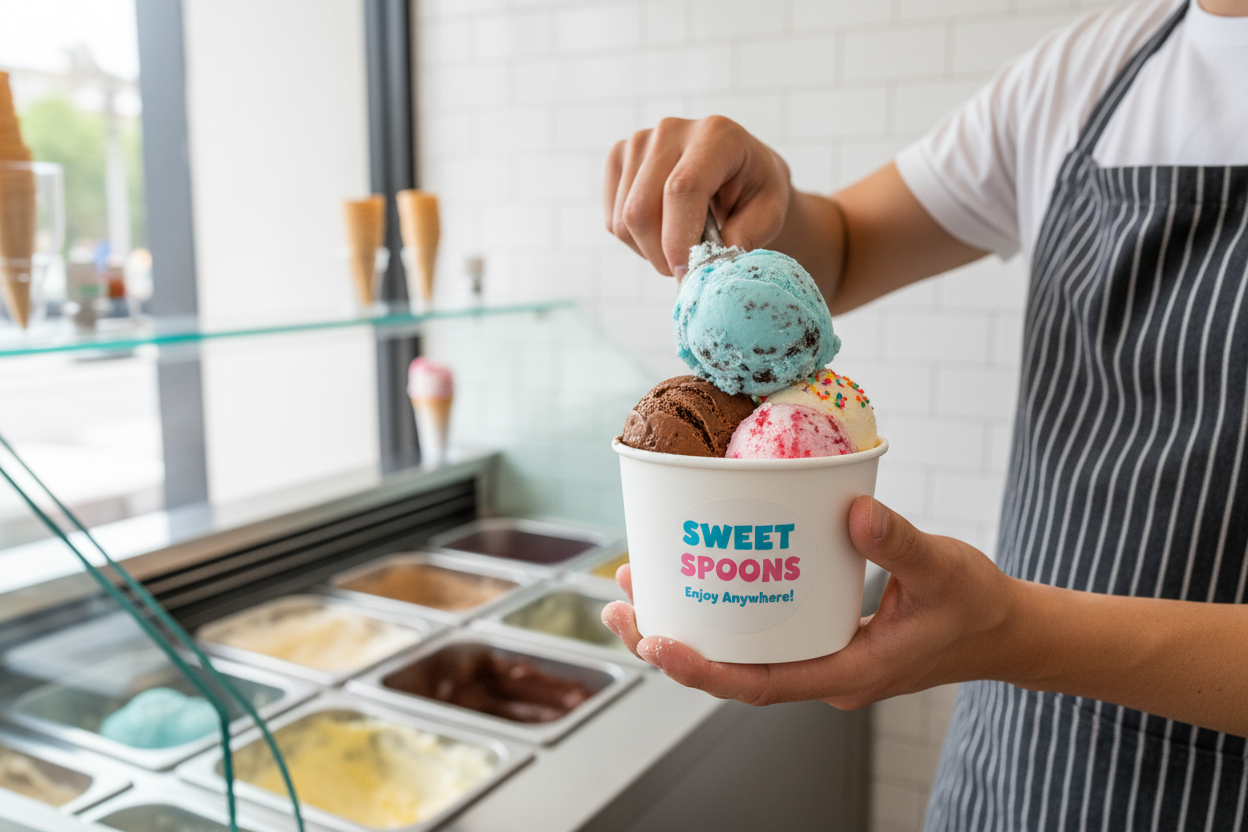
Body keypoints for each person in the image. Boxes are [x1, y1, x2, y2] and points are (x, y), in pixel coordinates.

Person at [599, 0, 1248, 828]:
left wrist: (1019, 631)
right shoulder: (1088, 71)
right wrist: (764, 195)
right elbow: (848, 246)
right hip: (1015, 760)